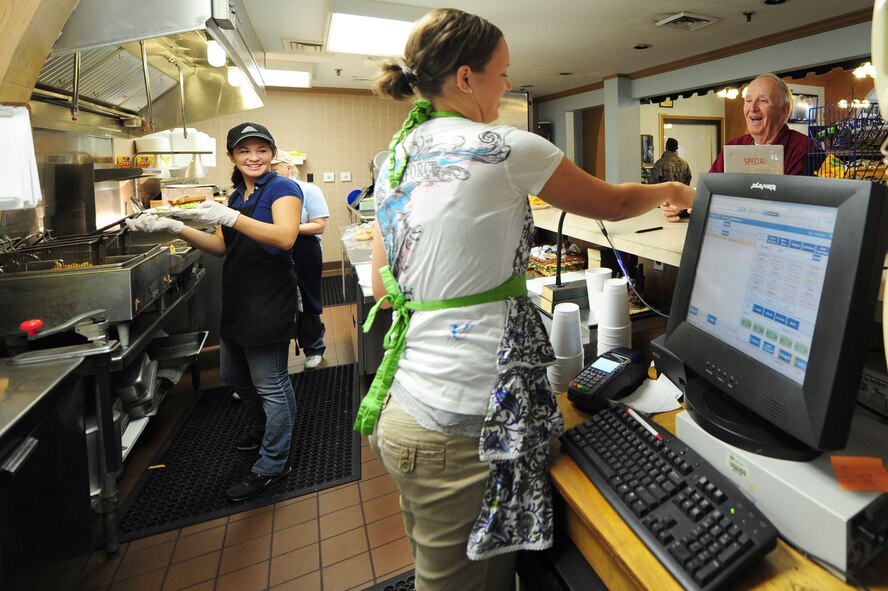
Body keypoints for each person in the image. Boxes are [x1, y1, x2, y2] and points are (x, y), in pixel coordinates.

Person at [358, 8, 694, 590]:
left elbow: (382, 278)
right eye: (503, 72)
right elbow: (612, 204)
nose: (509, 85)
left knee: (438, 573)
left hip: (405, 406)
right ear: (466, 78)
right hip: (462, 424)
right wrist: (674, 188)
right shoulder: (504, 146)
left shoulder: (397, 157)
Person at [126, 122, 304, 502]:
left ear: (272, 153)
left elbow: (286, 236)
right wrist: (174, 226)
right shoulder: (238, 194)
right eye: (245, 151)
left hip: (270, 297)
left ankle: (275, 461)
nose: (253, 157)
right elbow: (221, 247)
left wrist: (229, 217)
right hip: (240, 297)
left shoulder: (283, 188)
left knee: (271, 381)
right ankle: (264, 431)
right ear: (232, 157)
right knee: (233, 373)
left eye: (261, 149)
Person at [661, 73, 817, 221]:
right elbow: (710, 188)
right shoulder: (734, 147)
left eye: (763, 100)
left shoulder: (805, 148)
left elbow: (796, 208)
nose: (753, 108)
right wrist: (682, 204)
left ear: (785, 110)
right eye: (748, 100)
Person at [270, 150, 330, 370]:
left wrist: (287, 230)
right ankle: (274, 360)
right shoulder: (266, 192)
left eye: (275, 171)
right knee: (280, 303)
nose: (272, 176)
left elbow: (319, 225)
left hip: (305, 250)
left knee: (307, 300)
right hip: (275, 252)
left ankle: (314, 348)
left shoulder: (308, 190)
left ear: (288, 168)